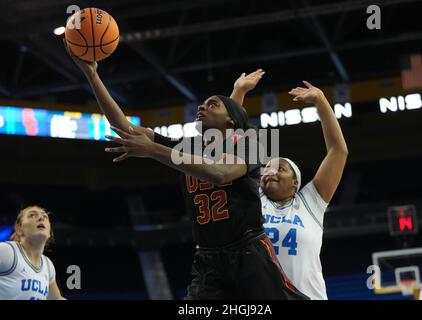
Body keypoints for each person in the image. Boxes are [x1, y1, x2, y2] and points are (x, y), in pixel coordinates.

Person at [64, 40, 309, 300]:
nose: (202, 107)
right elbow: (125, 128)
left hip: (248, 253)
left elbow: (221, 173)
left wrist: (153, 150)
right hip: (208, 259)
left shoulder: (252, 139)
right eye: (202, 104)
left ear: (230, 120)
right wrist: (92, 75)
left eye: (211, 104)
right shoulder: (187, 148)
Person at [232, 76, 348, 299]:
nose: (271, 171)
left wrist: (321, 101)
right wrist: (239, 92)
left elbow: (338, 151)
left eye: (281, 168)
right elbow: (230, 141)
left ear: (296, 183)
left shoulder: (310, 202)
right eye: (267, 168)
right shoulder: (253, 199)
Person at [0, 206, 65, 300]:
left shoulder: (48, 265)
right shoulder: (8, 251)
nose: (41, 218)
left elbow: (56, 298)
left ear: (49, 233)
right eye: (32, 215)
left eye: (45, 216)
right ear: (19, 228)